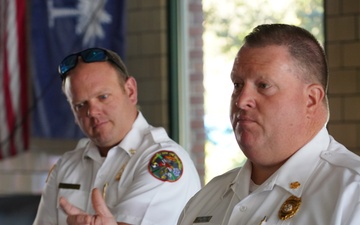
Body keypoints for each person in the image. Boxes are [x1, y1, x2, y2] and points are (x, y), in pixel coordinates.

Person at [177, 24, 360, 224]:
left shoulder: (351, 195)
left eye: (264, 86)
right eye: (238, 85)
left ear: (311, 99)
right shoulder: (206, 199)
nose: (241, 100)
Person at [32, 47, 201, 225]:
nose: (92, 111)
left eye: (103, 97)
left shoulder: (164, 162)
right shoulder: (66, 165)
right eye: (80, 105)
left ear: (130, 91)